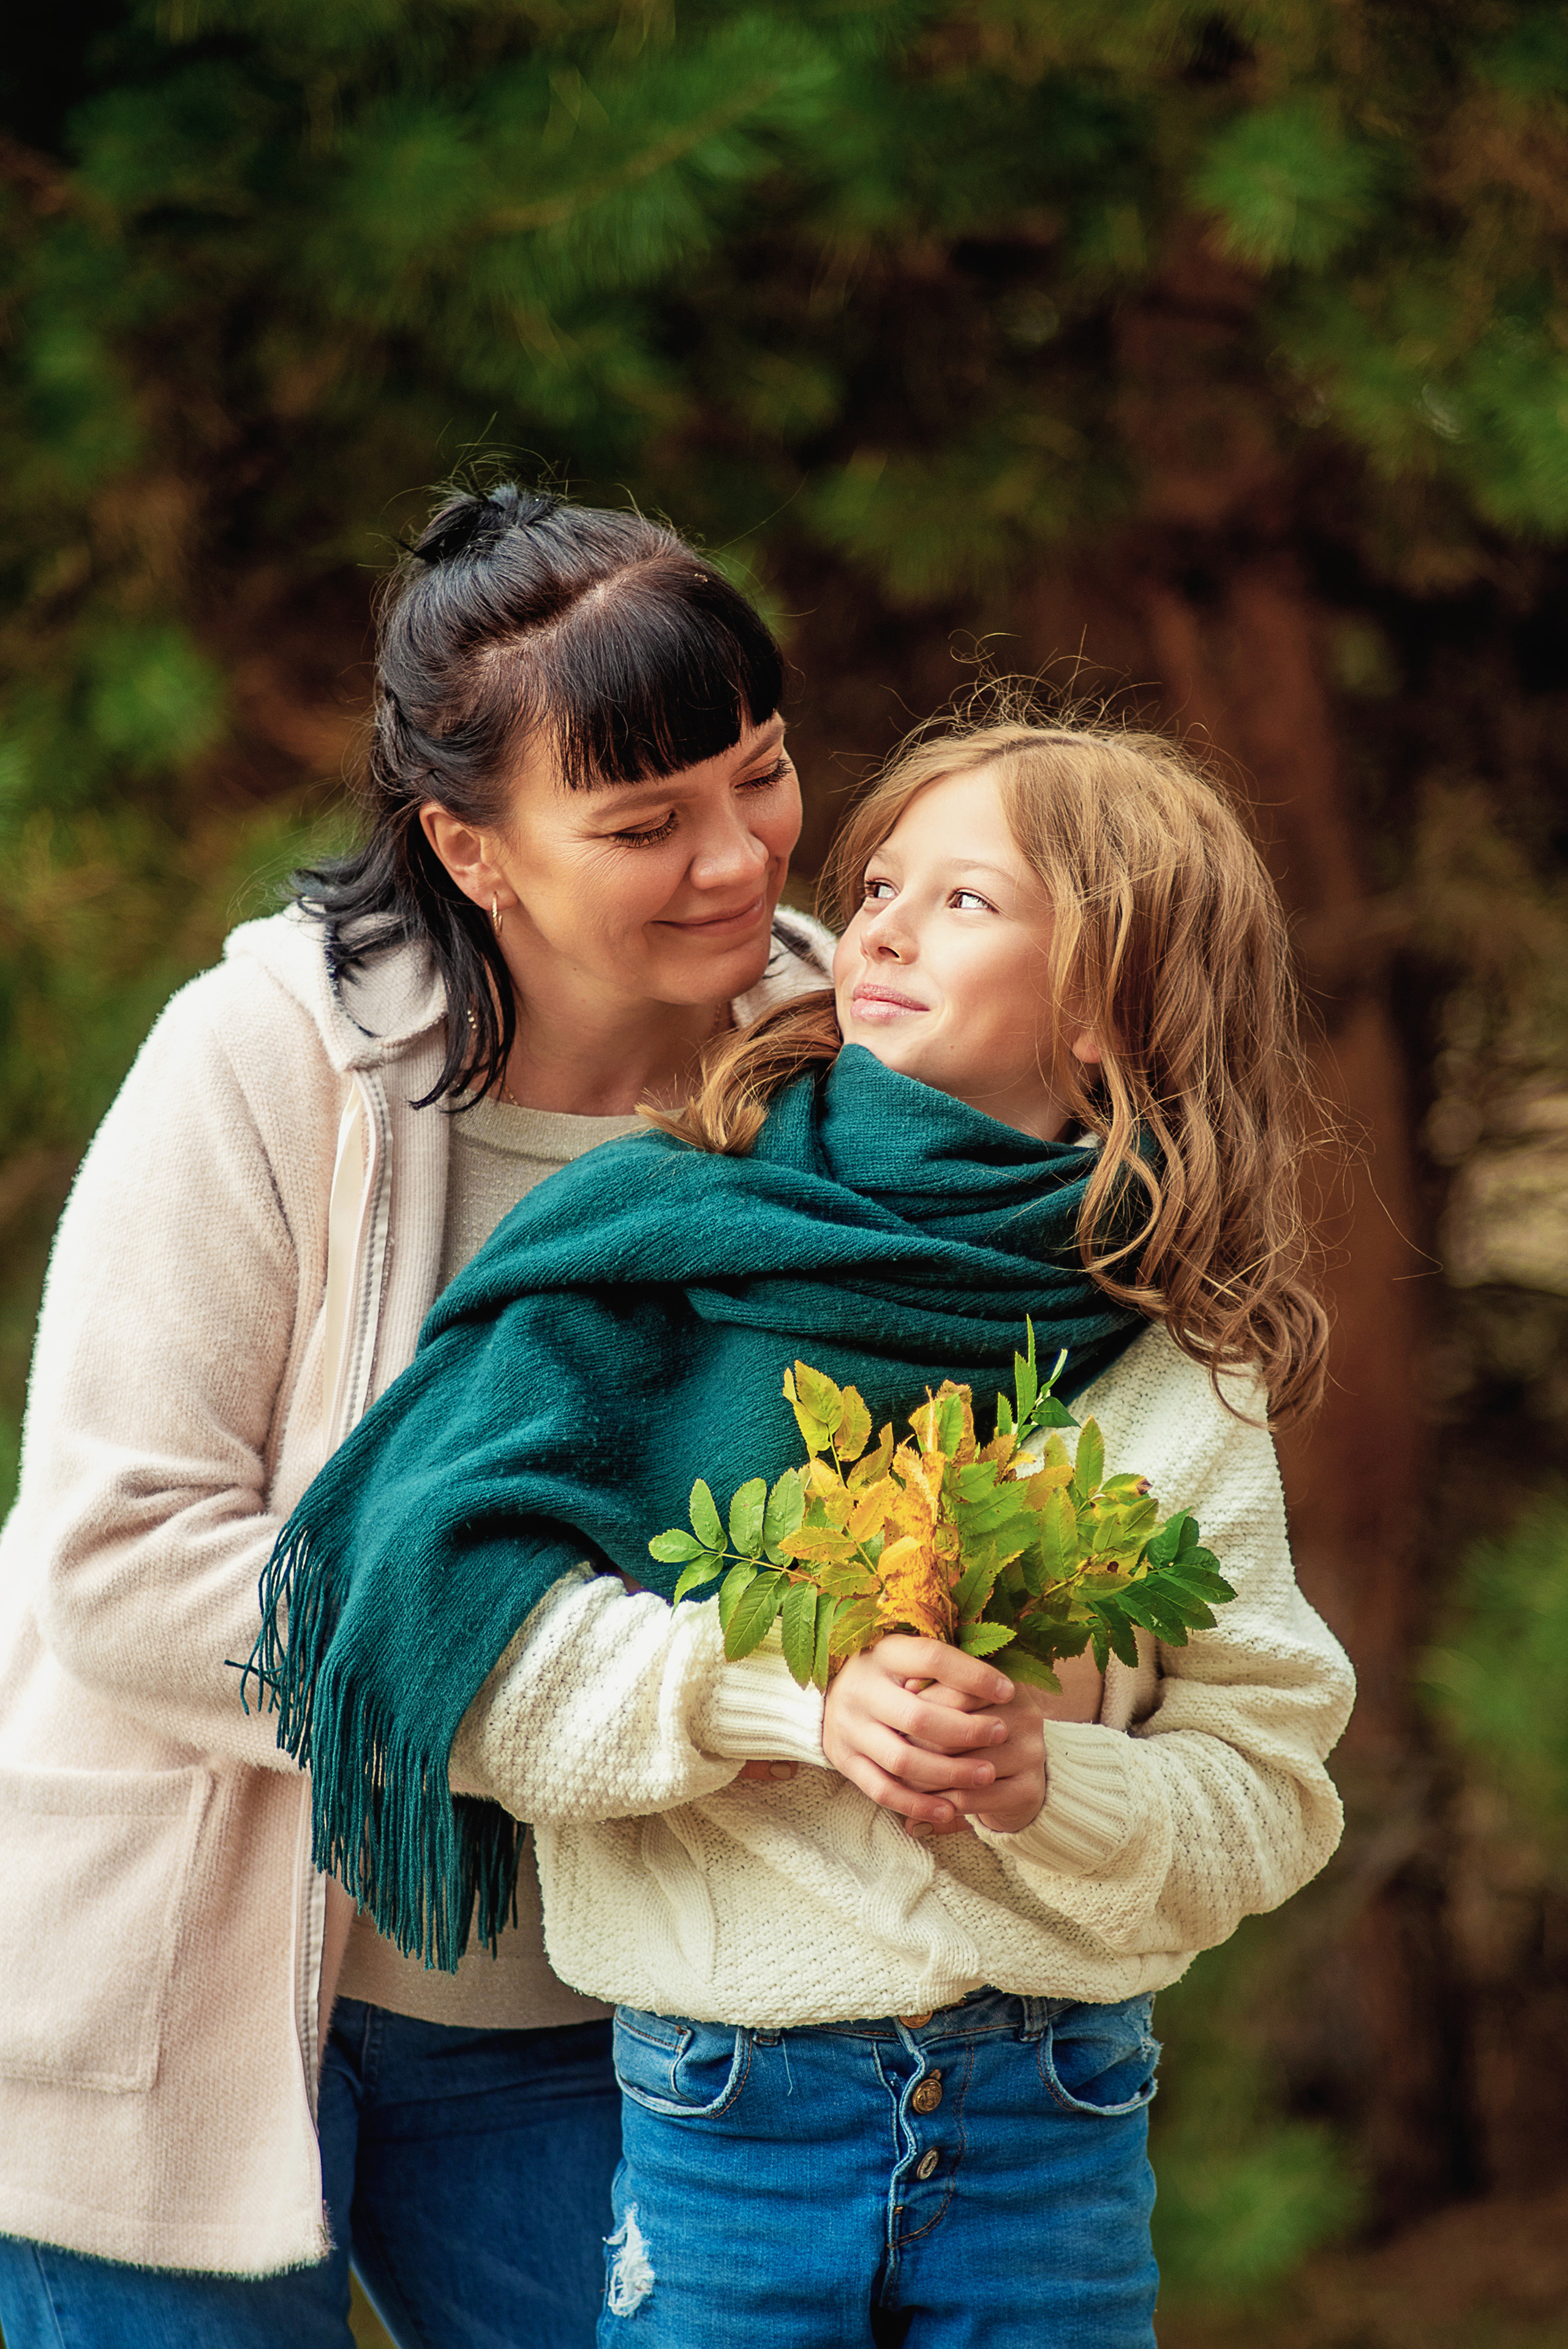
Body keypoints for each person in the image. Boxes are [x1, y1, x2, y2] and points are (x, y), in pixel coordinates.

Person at [258, 711, 1356, 2348]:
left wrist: (1057, 1784)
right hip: (725, 2123)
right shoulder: (664, 1247)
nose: (881, 926)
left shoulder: (1170, 1365)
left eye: (966, 901)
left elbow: (1271, 1789)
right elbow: (443, 1645)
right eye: (885, 880)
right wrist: (790, 1698)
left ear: (1117, 996)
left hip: (1055, 2121)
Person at [0, 482, 838, 2347]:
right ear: (473, 848)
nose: (740, 857)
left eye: (760, 773)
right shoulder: (273, 1056)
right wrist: (582, 1682)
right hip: (179, 1988)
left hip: (606, 2022)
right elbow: (122, 1567)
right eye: (645, 821)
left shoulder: (846, 1067)